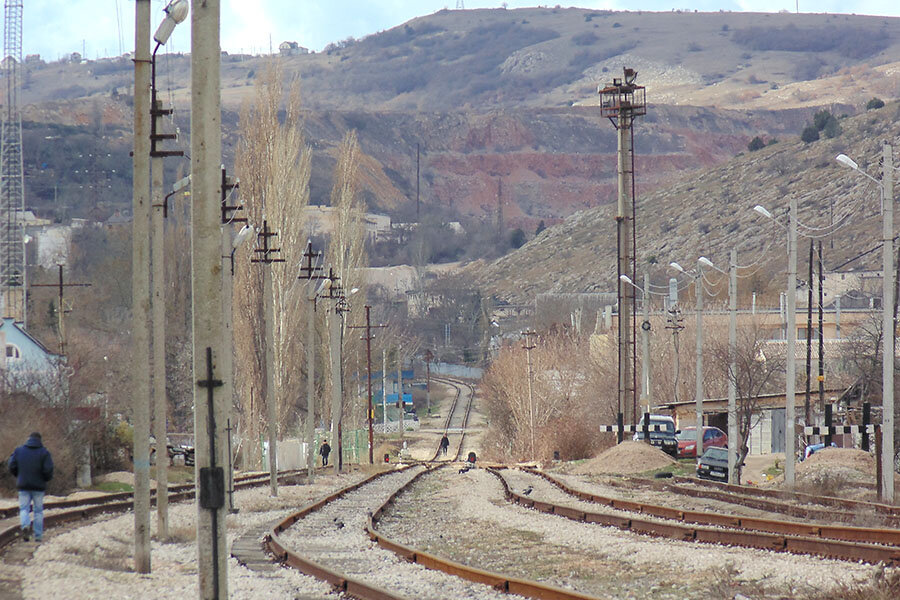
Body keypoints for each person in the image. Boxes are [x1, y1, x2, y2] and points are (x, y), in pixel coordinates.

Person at [7, 432, 54, 543]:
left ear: (28, 439)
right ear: (40, 440)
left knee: (24, 509)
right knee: (38, 511)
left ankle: (25, 526)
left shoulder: (19, 451)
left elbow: (11, 465)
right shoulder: (44, 452)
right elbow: (48, 469)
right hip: (38, 487)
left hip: (23, 485)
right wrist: (45, 479)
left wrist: (18, 475)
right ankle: (38, 536)